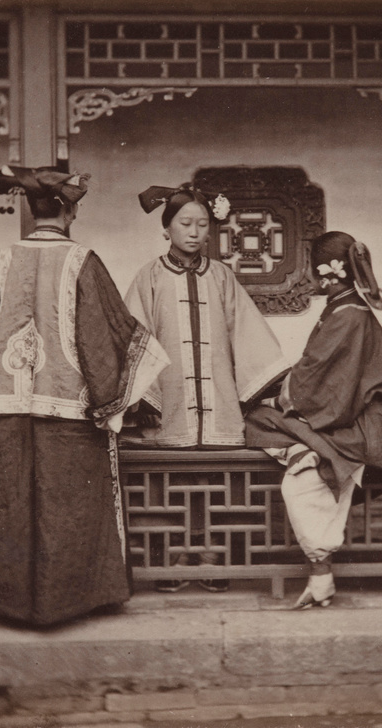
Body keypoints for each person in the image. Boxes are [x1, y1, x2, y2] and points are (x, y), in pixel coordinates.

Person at [0, 165, 168, 627]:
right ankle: (70, 601)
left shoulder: (4, 260)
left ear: (30, 208)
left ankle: (8, 602)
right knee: (68, 505)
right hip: (71, 413)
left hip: (9, 409)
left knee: (12, 501)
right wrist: (111, 400)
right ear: (69, 209)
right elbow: (104, 336)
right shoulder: (82, 261)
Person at [245, 231, 382, 609]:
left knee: (264, 423)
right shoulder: (345, 306)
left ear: (326, 274)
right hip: (361, 415)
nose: (308, 277)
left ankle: (310, 456)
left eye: (311, 269)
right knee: (273, 430)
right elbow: (318, 375)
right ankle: (321, 570)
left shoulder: (348, 314)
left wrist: (283, 397)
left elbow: (319, 383)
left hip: (374, 425)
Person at [122, 184, 289, 592]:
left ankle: (212, 555)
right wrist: (145, 396)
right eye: (185, 223)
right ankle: (175, 556)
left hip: (218, 401)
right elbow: (132, 336)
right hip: (171, 400)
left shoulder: (222, 277)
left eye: (201, 224)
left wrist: (250, 387)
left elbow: (246, 333)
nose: (194, 232)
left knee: (215, 479)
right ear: (167, 229)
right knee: (172, 482)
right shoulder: (148, 278)